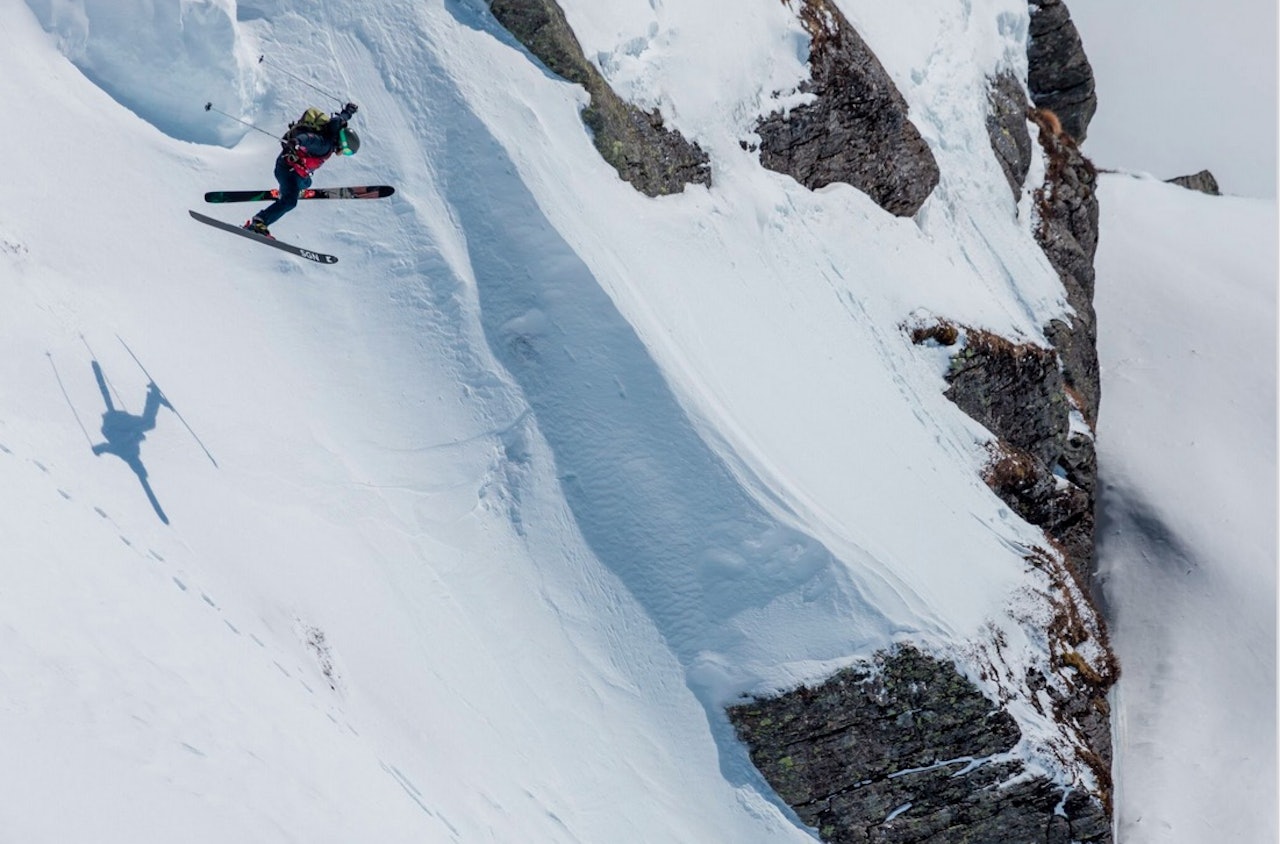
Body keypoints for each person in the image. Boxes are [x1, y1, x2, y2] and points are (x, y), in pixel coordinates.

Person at [245, 102, 360, 237]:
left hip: (294, 171)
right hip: (287, 170)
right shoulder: (324, 145)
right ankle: (260, 222)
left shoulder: (333, 129)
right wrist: (297, 142)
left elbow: (341, 118)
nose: (344, 153)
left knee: (307, 182)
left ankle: (288, 191)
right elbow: (309, 139)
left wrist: (348, 112)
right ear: (342, 143)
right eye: (347, 151)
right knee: (290, 202)